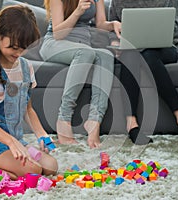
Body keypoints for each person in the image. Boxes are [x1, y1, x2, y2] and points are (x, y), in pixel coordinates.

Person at [0, 5, 58, 180]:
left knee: (51, 167)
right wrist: (10, 142)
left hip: (12, 141)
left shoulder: (26, 67)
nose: (19, 53)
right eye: (14, 47)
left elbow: (28, 109)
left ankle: (6, 162)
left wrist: (42, 134)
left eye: (23, 48)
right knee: (33, 172)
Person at [109, 0, 178, 144]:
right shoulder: (117, 1)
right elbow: (112, 30)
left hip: (165, 48)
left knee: (149, 55)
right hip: (131, 50)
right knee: (130, 54)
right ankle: (131, 124)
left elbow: (172, 27)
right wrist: (115, 44)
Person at [39, 0, 121, 148]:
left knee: (106, 55)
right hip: (55, 44)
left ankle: (94, 121)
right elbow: (58, 33)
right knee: (86, 52)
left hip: (82, 47)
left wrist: (113, 24)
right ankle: (63, 120)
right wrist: (78, 11)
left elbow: (100, 24)